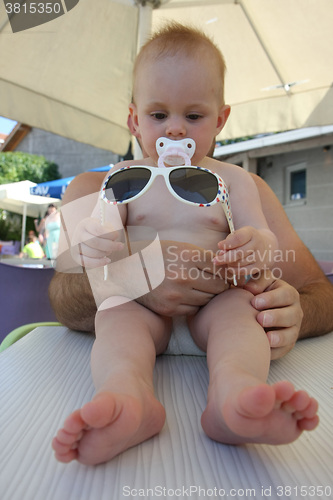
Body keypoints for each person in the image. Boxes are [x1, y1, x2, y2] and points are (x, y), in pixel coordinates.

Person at [52, 23, 320, 465]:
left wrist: (256, 244)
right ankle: (128, 398)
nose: (175, 130)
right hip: (142, 306)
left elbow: (262, 236)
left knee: (242, 315)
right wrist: (95, 239)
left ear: (220, 119)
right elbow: (99, 239)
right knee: (116, 315)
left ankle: (233, 394)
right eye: (159, 115)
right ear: (135, 120)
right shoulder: (125, 179)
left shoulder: (232, 180)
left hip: (215, 303)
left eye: (193, 117)